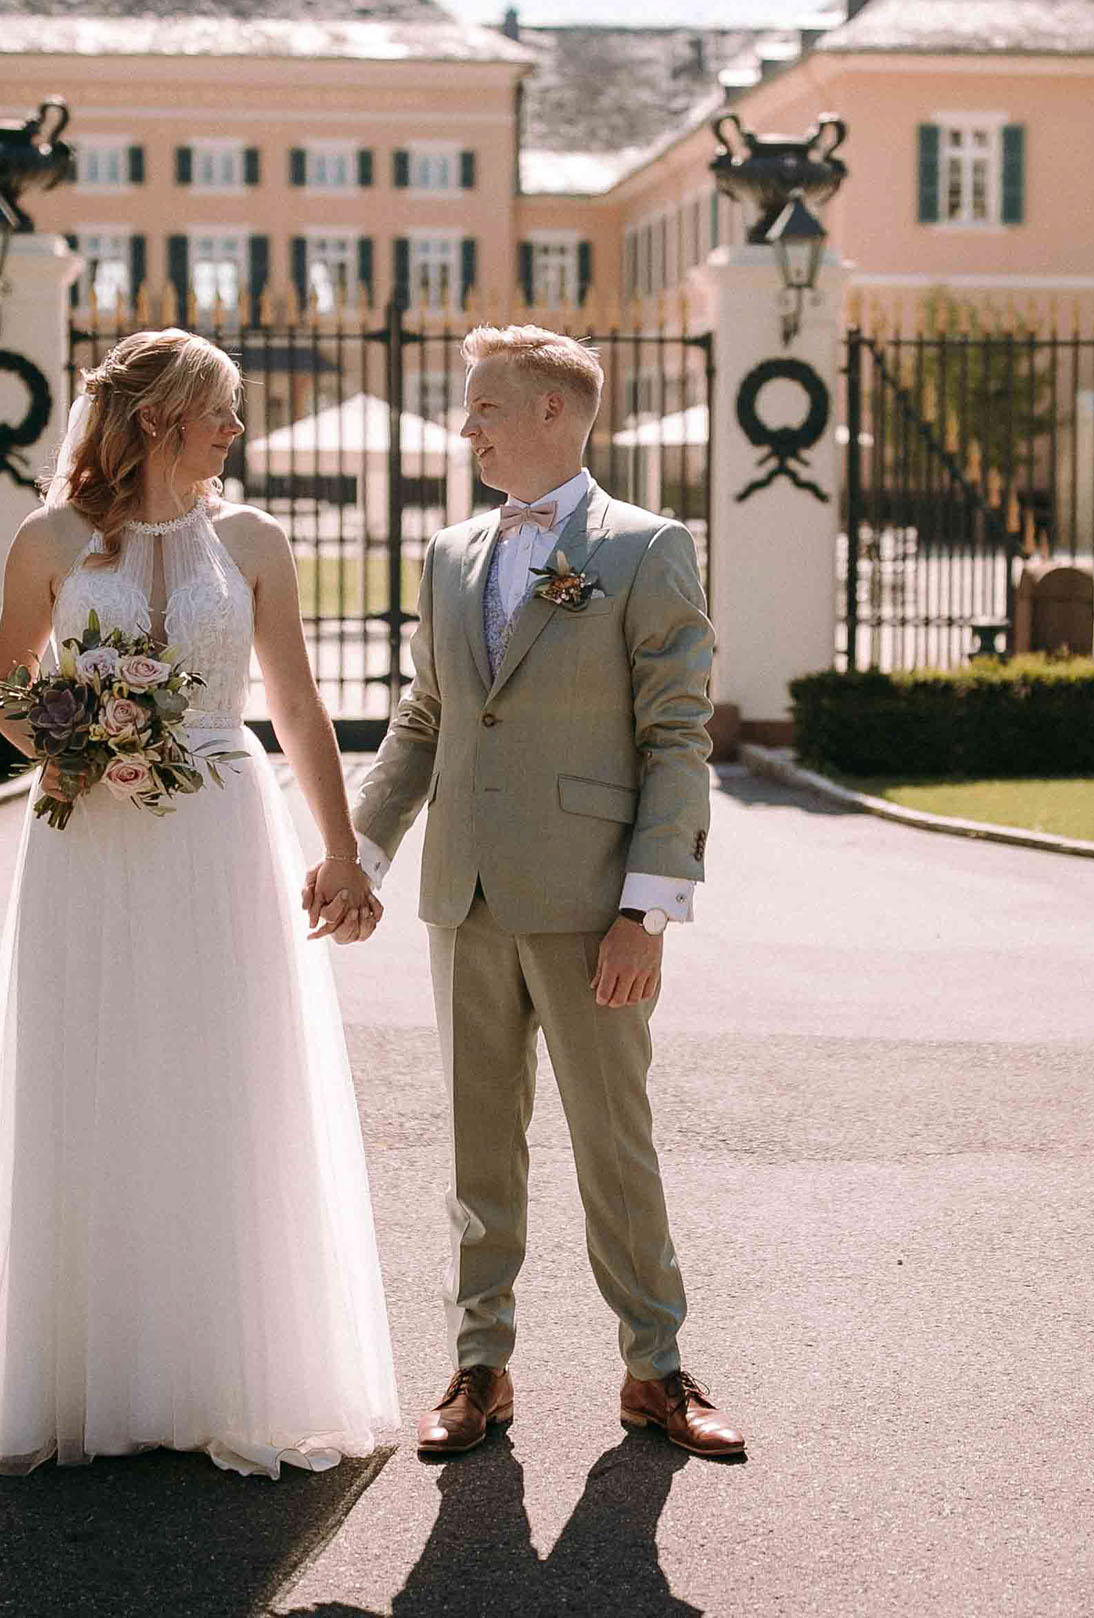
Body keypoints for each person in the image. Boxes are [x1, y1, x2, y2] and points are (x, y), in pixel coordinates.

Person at [0, 328, 398, 1477]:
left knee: (220, 1072)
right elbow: (7, 685)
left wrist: (343, 851)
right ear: (159, 418)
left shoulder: (253, 540)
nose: (236, 430)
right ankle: (86, 1364)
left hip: (222, 826)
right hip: (86, 837)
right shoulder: (47, 539)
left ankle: (218, 1369)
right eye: (221, 409)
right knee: (91, 1068)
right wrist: (73, 744)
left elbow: (297, 703)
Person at [311, 325, 743, 1460]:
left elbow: (677, 736)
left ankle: (655, 1368)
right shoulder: (451, 551)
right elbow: (426, 715)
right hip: (464, 898)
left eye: (485, 408)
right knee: (477, 1151)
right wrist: (359, 849)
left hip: (593, 908)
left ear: (554, 410)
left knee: (614, 1146)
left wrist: (645, 911)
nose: (467, 429)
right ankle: (478, 1366)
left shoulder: (647, 548)